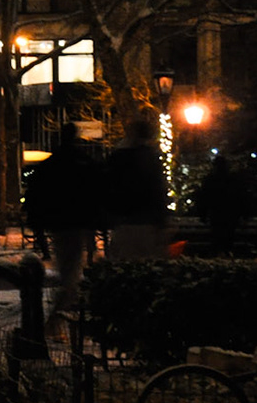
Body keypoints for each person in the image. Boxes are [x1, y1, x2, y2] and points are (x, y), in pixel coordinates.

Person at [23, 122, 103, 333]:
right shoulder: (83, 163)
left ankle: (58, 320)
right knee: (71, 275)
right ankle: (57, 320)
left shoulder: (52, 164)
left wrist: (38, 228)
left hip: (60, 223)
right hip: (78, 222)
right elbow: (96, 190)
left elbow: (36, 195)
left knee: (68, 272)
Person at [103, 115, 171, 262]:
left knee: (124, 260)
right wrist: (162, 220)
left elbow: (108, 186)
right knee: (147, 261)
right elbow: (158, 189)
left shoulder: (117, 157)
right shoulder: (151, 157)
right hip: (147, 219)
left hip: (123, 218)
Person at [192, 152, 255, 254]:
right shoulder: (233, 180)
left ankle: (218, 256)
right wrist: (245, 214)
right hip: (231, 214)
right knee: (228, 238)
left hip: (216, 214)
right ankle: (226, 255)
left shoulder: (211, 180)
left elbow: (204, 198)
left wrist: (202, 214)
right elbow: (242, 197)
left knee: (217, 238)